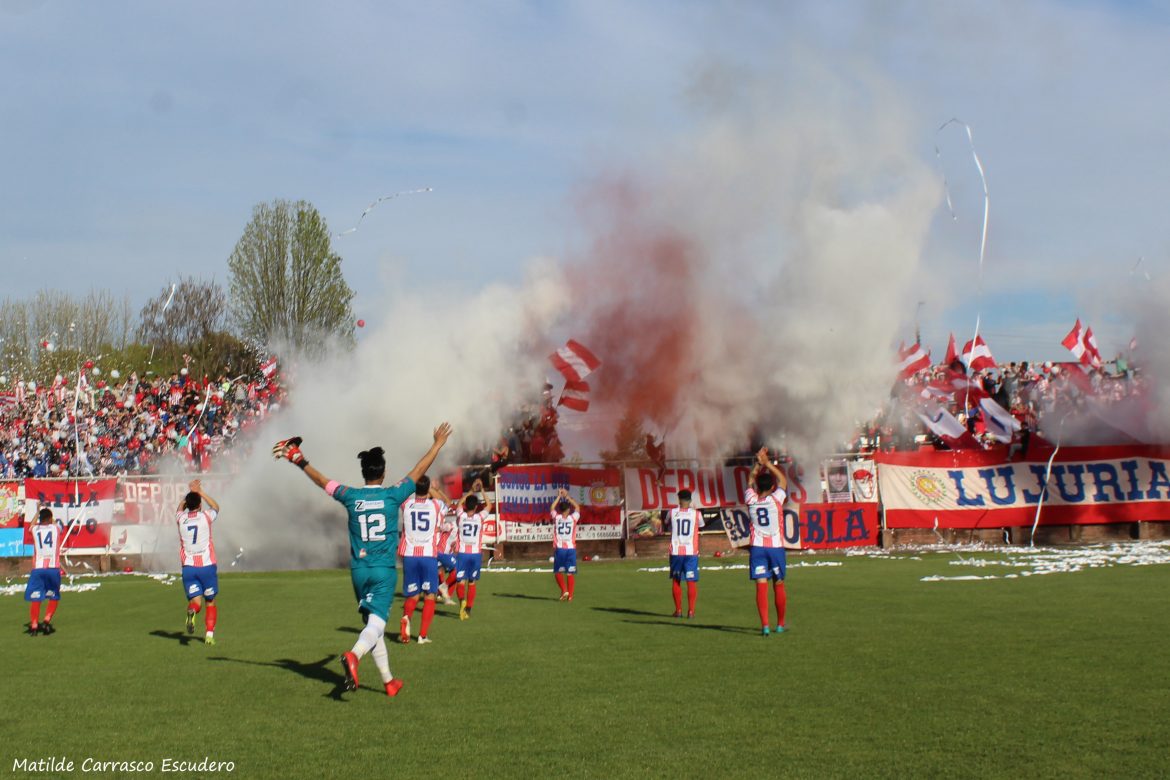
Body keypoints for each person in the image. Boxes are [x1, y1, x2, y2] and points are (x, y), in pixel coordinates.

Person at [273, 423, 451, 697]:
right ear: (383, 472)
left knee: (372, 625)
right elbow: (419, 471)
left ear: (363, 472)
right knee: (377, 624)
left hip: (358, 571)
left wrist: (298, 459)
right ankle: (354, 655)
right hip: (383, 570)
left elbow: (321, 481)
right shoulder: (394, 494)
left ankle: (389, 681)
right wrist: (437, 444)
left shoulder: (350, 496)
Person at [745, 447, 789, 636]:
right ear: (771, 488)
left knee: (760, 585)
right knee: (778, 583)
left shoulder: (752, 500)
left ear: (757, 487)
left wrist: (757, 464)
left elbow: (749, 481)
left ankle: (764, 625)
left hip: (757, 549)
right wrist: (768, 463)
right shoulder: (776, 500)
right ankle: (779, 624)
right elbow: (784, 482)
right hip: (776, 548)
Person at [398, 476, 446, 645]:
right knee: (430, 595)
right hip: (428, 555)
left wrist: (415, 485)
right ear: (428, 490)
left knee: (413, 594)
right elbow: (443, 500)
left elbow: (402, 493)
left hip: (409, 555)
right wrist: (433, 488)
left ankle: (406, 617)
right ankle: (422, 636)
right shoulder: (435, 505)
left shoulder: (406, 504)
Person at [176, 480, 221, 645]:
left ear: (187, 505)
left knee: (195, 602)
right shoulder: (205, 517)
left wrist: (187, 496)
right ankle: (209, 635)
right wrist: (199, 491)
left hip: (188, 568)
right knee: (210, 601)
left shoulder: (180, 519)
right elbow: (216, 507)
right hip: (207, 566)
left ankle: (192, 612)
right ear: (200, 504)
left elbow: (179, 509)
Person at [24, 507, 73, 635]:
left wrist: (37, 511)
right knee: (54, 596)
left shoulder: (35, 529)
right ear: (50, 519)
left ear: (40, 519)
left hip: (38, 569)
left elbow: (31, 525)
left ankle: (34, 626)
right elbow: (57, 523)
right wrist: (51, 516)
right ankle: (46, 621)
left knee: (36, 598)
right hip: (53, 568)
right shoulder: (55, 528)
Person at [454, 484, 493, 620]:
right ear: (476, 507)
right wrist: (482, 490)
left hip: (462, 553)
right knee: (472, 582)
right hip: (475, 554)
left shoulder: (461, 515)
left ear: (466, 506)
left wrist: (470, 491)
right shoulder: (479, 517)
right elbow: (489, 505)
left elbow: (459, 503)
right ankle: (469, 609)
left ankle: (462, 602)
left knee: (460, 582)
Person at [668, 489, 705, 618]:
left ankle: (678, 610)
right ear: (690, 500)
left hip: (676, 551)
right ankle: (691, 611)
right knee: (691, 581)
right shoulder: (697, 514)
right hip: (691, 551)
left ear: (679, 500)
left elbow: (667, 524)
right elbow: (701, 525)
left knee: (676, 580)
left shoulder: (672, 512)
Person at [550, 488, 580, 601]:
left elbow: (552, 508)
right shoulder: (573, 518)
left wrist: (558, 496)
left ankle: (564, 590)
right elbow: (577, 508)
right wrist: (567, 497)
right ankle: (570, 595)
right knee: (570, 572)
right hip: (571, 549)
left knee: (558, 572)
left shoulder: (557, 518)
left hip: (560, 549)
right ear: (568, 510)